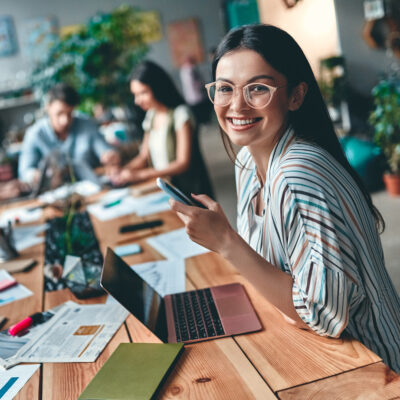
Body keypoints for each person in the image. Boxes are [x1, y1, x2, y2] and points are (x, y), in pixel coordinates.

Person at [170, 24, 400, 373]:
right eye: (224, 89)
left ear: (295, 95)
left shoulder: (298, 172)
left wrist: (227, 242)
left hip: (371, 368)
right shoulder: (248, 160)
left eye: (258, 88)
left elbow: (322, 316)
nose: (237, 105)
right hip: (316, 353)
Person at [110, 60, 214, 197]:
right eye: (135, 94)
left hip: (190, 192)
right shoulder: (151, 115)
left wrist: (142, 174)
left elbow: (183, 162)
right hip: (166, 189)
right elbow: (143, 156)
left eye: (142, 93)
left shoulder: (181, 114)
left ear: (157, 88)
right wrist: (123, 171)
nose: (137, 100)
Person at [18, 83, 120, 185]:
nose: (65, 121)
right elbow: (24, 171)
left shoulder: (86, 124)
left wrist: (109, 156)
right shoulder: (34, 134)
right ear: (48, 107)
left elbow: (104, 150)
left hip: (92, 188)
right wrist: (36, 176)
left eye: (69, 113)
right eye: (59, 113)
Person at [179, 56, 211, 125]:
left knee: (197, 112)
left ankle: (202, 123)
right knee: (201, 111)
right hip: (197, 96)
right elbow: (195, 82)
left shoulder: (183, 70)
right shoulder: (191, 69)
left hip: (190, 97)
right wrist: (203, 85)